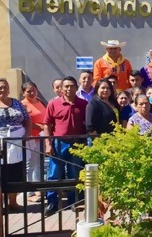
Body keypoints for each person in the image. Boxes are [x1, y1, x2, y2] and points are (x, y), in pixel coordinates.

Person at [43, 76, 87, 215]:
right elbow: (47, 124)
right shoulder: (53, 104)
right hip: (59, 143)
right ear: (61, 89)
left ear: (76, 87)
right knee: (54, 174)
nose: (69, 89)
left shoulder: (83, 103)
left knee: (74, 173)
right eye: (66, 86)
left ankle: (73, 202)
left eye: (71, 86)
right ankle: (52, 202)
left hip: (77, 143)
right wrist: (48, 144)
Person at [0, 78, 32, 211]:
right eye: (0, 87)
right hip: (1, 143)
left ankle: (12, 202)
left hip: (18, 142)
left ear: (8, 88)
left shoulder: (17, 103)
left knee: (16, 172)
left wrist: (26, 135)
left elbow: (27, 120)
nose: (2, 90)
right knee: (2, 174)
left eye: (4, 87)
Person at [21, 82, 47, 198]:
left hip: (41, 137)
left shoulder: (40, 101)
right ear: (23, 93)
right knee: (30, 164)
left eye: (33, 90)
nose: (31, 93)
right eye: (28, 91)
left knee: (39, 163)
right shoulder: (23, 105)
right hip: (31, 137)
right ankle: (29, 190)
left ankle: (38, 187)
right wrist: (40, 127)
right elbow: (26, 121)